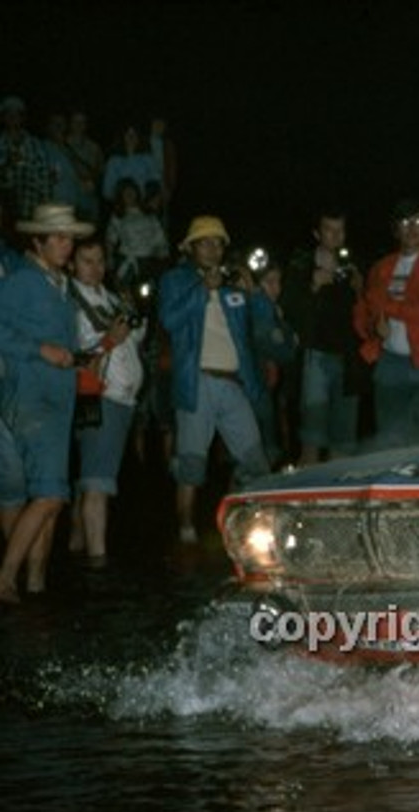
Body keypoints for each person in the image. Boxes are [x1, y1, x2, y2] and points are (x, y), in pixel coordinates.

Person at [0, 204, 94, 602]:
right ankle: (5, 577)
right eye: (56, 237)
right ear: (36, 240)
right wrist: (42, 350)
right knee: (52, 493)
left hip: (55, 396)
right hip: (33, 395)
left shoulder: (60, 285)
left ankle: (34, 585)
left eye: (69, 236)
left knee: (40, 494)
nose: (65, 244)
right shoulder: (22, 281)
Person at [159, 215, 269, 545]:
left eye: (219, 242)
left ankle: (247, 527)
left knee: (255, 461)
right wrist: (202, 290)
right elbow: (168, 320)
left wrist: (256, 292)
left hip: (233, 383)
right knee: (192, 464)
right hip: (198, 382)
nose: (213, 248)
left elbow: (261, 324)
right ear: (191, 247)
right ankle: (186, 528)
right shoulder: (175, 280)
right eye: (205, 242)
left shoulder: (233, 281)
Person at [66, 237, 145, 567]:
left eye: (100, 261)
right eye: (87, 261)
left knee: (91, 475)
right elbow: (77, 354)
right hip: (99, 395)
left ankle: (76, 545)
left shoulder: (110, 297)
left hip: (121, 398)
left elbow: (136, 337)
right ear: (72, 264)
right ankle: (98, 564)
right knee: (98, 481)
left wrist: (132, 318)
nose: (95, 268)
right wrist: (110, 339)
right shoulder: (69, 301)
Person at [354, 199, 419, 449]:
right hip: (390, 363)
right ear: (395, 230)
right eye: (405, 222)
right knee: (391, 441)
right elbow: (366, 311)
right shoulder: (381, 267)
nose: (412, 228)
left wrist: (388, 308)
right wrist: (373, 327)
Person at [281, 209, 364, 464]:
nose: (335, 235)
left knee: (344, 443)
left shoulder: (352, 268)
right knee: (312, 439)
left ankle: (337, 500)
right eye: (329, 229)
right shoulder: (301, 266)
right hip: (315, 359)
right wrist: (314, 286)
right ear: (317, 233)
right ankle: (306, 498)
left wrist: (360, 290)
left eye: (340, 229)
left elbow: (364, 315)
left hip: (348, 362)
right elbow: (288, 310)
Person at [247, 255, 299, 467]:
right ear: (257, 285)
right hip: (256, 386)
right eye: (270, 282)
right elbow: (284, 351)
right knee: (262, 451)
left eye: (279, 281)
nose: (276, 288)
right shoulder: (261, 309)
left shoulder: (268, 309)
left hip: (262, 386)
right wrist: (289, 336)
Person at [104, 177, 168, 291]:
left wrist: (162, 253)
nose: (130, 195)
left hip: (149, 261)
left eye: (132, 191)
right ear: (121, 196)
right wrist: (109, 260)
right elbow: (110, 240)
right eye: (126, 193)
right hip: (128, 262)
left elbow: (159, 237)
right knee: (125, 295)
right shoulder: (118, 216)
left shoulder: (149, 214)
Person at [0, 96, 54, 220]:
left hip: (31, 208)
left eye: (16, 114)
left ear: (22, 118)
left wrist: (46, 204)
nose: (12, 118)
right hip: (4, 211)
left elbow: (44, 176)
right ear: (2, 118)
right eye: (8, 114)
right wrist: (7, 164)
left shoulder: (35, 144)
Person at [101, 122, 161, 213]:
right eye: (128, 134)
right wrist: (121, 201)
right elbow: (107, 190)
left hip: (144, 208)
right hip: (122, 209)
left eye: (134, 135)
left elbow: (156, 183)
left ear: (139, 137)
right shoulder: (114, 161)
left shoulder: (148, 159)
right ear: (123, 137)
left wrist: (152, 201)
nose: (131, 138)